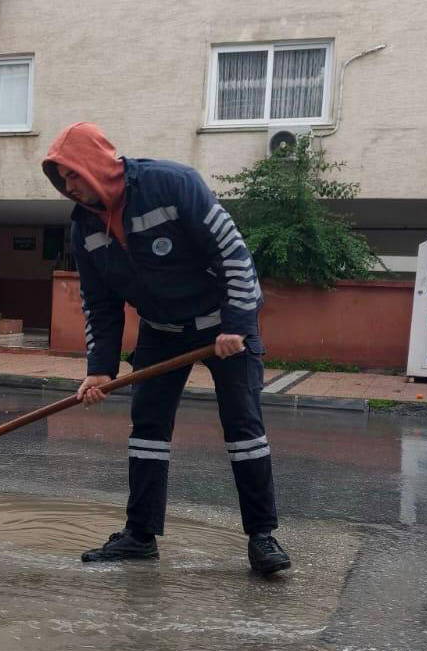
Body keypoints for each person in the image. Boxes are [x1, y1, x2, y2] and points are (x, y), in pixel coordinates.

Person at [42, 122, 291, 575]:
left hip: (224, 326)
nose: (68, 187)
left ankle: (262, 537)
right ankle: (140, 536)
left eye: (72, 174)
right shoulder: (84, 229)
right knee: (147, 430)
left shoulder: (173, 184)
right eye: (61, 180)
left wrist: (236, 324)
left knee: (243, 428)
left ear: (96, 164)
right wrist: (100, 368)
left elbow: (234, 255)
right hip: (160, 329)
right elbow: (100, 305)